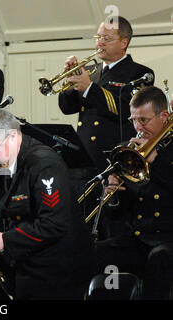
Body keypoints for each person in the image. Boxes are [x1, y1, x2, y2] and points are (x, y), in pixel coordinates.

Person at [0, 107, 95, 299]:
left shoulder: (44, 164)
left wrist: (5, 240)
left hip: (59, 269)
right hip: (31, 261)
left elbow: (53, 224)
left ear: (12, 136)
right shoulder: (5, 161)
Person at [58, 16, 154, 238]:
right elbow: (67, 107)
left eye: (106, 38)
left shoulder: (139, 73)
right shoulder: (91, 71)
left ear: (124, 42)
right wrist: (69, 82)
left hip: (113, 160)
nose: (99, 43)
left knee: (112, 228)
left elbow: (123, 108)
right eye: (98, 37)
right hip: (85, 161)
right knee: (83, 227)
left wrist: (89, 88)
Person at [96, 86, 173, 300]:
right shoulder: (127, 150)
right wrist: (112, 195)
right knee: (91, 253)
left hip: (168, 240)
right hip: (136, 239)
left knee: (160, 259)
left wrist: (156, 162)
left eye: (144, 120)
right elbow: (115, 216)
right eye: (133, 120)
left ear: (164, 116)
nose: (138, 127)